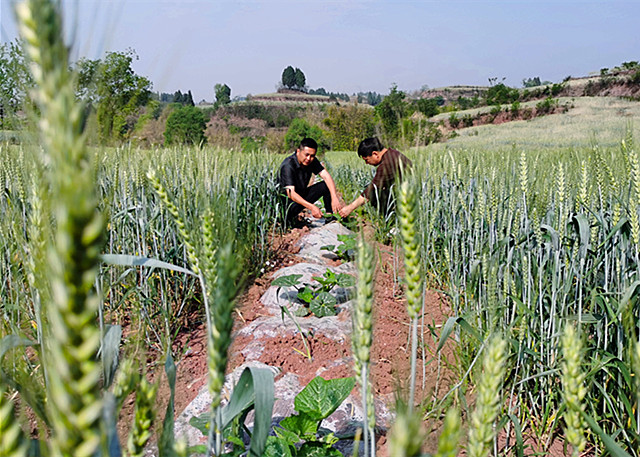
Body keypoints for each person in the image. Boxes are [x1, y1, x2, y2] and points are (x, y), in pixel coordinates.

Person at [339, 137, 412, 218]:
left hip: (410, 196)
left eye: (366, 160)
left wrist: (350, 208)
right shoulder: (392, 153)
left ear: (375, 154)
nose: (366, 163)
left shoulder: (386, 164)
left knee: (376, 195)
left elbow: (371, 189)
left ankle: (392, 221)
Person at [278, 137, 343, 227]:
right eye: (306, 154)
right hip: (288, 205)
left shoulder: (312, 161)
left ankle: (329, 216)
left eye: (312, 156)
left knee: (326, 185)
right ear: (298, 151)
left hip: (301, 196)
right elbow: (291, 193)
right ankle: (289, 221)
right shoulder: (288, 165)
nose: (309, 158)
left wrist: (334, 197)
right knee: (290, 207)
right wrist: (312, 207)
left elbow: (326, 176)